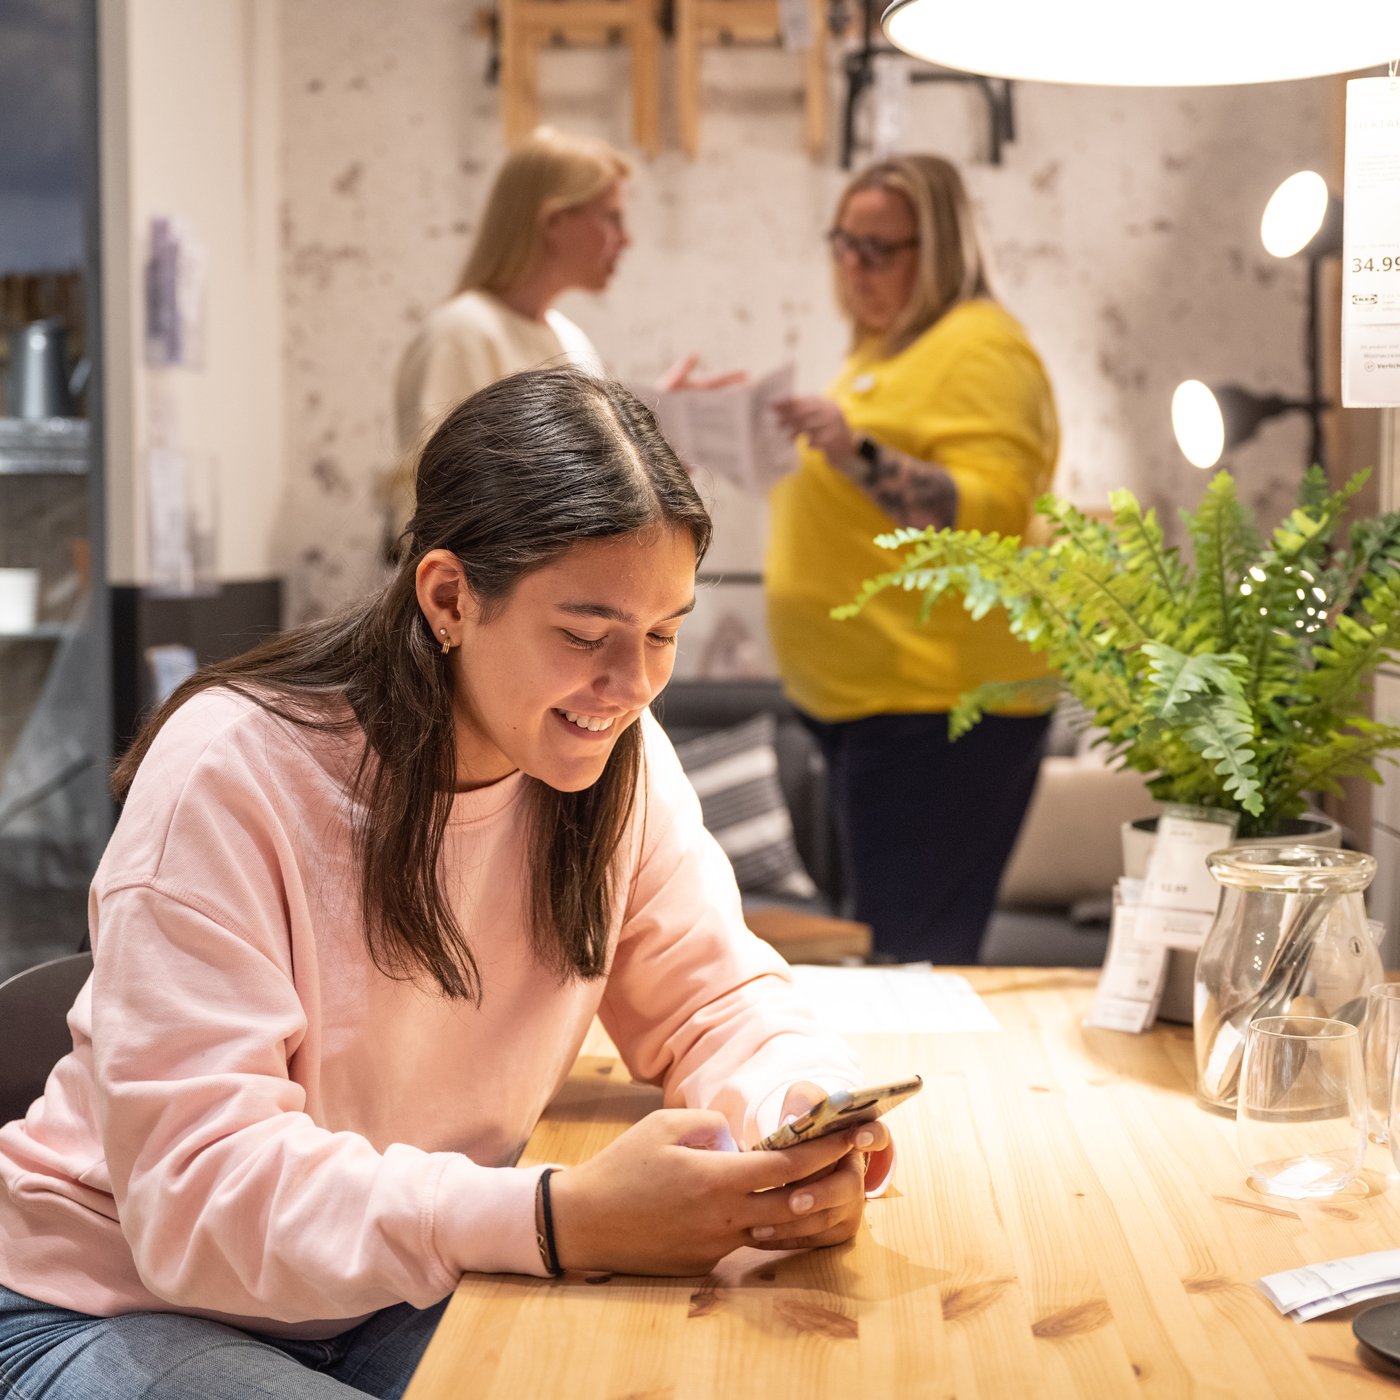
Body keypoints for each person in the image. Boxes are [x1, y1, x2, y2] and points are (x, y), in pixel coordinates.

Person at [0, 367, 892, 1399]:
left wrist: (799, 1108)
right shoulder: (232, 769)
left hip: (394, 1289)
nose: (632, 683)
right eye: (582, 632)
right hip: (115, 1301)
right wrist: (556, 1215)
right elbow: (201, 1195)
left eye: (661, 632)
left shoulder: (613, 759)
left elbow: (715, 998)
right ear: (449, 595)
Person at [765, 153, 1060, 967]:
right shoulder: (884, 351)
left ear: (941, 249)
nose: (854, 268)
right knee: (898, 954)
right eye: (843, 244)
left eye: (879, 249)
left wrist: (858, 454)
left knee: (915, 962)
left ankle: (940, 1099)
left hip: (943, 707)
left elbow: (994, 515)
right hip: (882, 704)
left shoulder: (982, 347)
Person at [387, 127, 731, 550]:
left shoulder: (569, 337)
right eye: (611, 217)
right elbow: (440, 505)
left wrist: (642, 448)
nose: (626, 239)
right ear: (553, 222)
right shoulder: (461, 334)